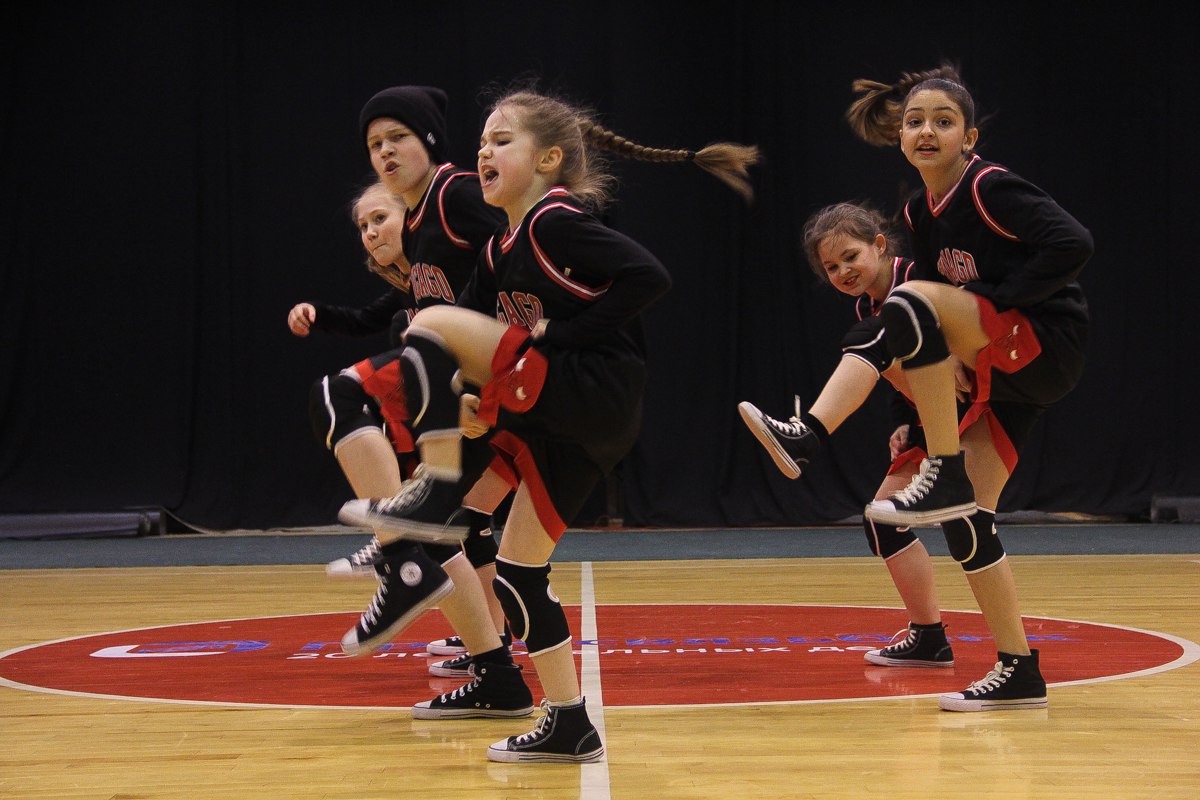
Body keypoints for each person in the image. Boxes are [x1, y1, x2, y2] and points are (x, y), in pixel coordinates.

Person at [340, 87, 758, 762]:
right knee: (517, 569)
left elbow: (648, 276)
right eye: (480, 142)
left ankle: (430, 491)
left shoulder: (551, 220)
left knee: (432, 323)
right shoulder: (500, 248)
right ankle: (569, 720)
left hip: (588, 391)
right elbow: (466, 342)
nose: (484, 151)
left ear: (549, 159)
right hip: (580, 422)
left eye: (501, 140)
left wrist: (559, 335)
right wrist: (469, 399)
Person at [849, 64, 1091, 711]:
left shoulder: (988, 187)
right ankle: (1019, 669)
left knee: (904, 306)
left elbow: (1073, 243)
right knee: (967, 522)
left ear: (970, 136)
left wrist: (990, 306)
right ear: (899, 136)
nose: (927, 130)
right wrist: (958, 343)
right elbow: (938, 300)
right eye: (915, 121)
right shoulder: (917, 211)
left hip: (1044, 342)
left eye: (943, 121)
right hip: (1005, 366)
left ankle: (818, 432)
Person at [299, 86, 529, 715]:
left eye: (397, 137)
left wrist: (499, 373)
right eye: (374, 144)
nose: (384, 151)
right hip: (468, 386)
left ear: (428, 141)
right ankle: (498, 678)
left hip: (499, 376)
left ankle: (398, 553)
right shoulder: (424, 222)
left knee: (340, 390)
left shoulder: (453, 194)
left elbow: (520, 253)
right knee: (443, 536)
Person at [739, 202, 955, 670]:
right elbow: (907, 365)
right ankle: (929, 637)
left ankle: (806, 436)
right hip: (935, 413)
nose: (843, 272)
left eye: (851, 257)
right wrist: (905, 420)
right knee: (884, 521)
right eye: (831, 267)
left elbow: (944, 340)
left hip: (974, 397)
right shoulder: (868, 306)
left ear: (880, 245)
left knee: (968, 525)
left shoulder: (919, 276)